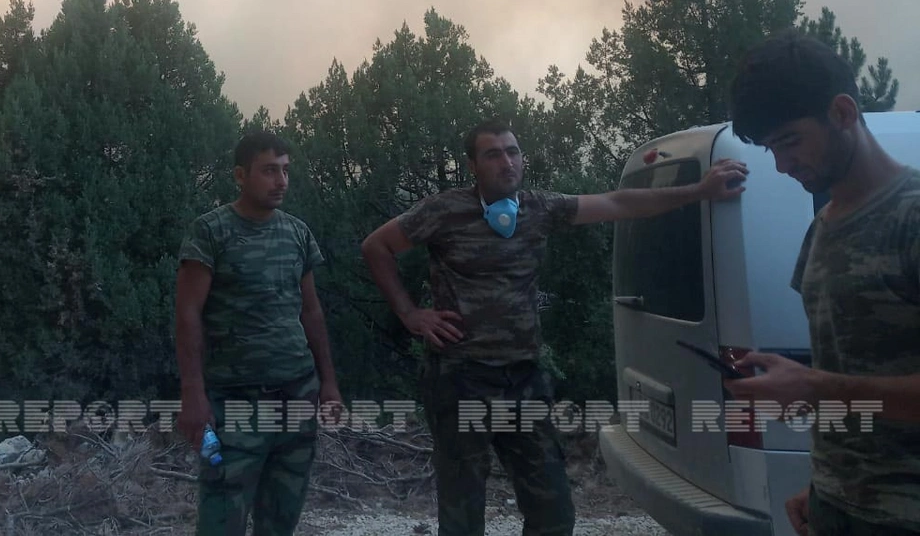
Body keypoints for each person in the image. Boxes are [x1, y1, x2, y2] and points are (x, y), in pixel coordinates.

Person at [360, 119, 747, 536]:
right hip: (459, 379)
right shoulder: (444, 210)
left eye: (513, 151)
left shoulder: (539, 208)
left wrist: (698, 190)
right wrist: (410, 314)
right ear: (473, 165)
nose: (507, 162)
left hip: (523, 378)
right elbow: (376, 246)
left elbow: (618, 203)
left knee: (553, 511)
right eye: (493, 154)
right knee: (462, 512)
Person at [725, 31, 920, 535]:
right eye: (771, 149)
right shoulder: (822, 228)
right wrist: (820, 485)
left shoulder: (912, 217)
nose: (782, 165)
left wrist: (813, 386)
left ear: (842, 112)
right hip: (836, 506)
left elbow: (831, 386)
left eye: (790, 141)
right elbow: (845, 376)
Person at [175, 130, 342, 536]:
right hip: (235, 401)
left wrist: (329, 384)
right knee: (220, 519)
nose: (281, 181)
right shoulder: (211, 231)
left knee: (281, 519)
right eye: (269, 171)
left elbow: (311, 311)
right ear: (240, 175)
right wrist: (193, 395)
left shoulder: (297, 232)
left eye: (285, 171)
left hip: (297, 395)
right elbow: (187, 315)